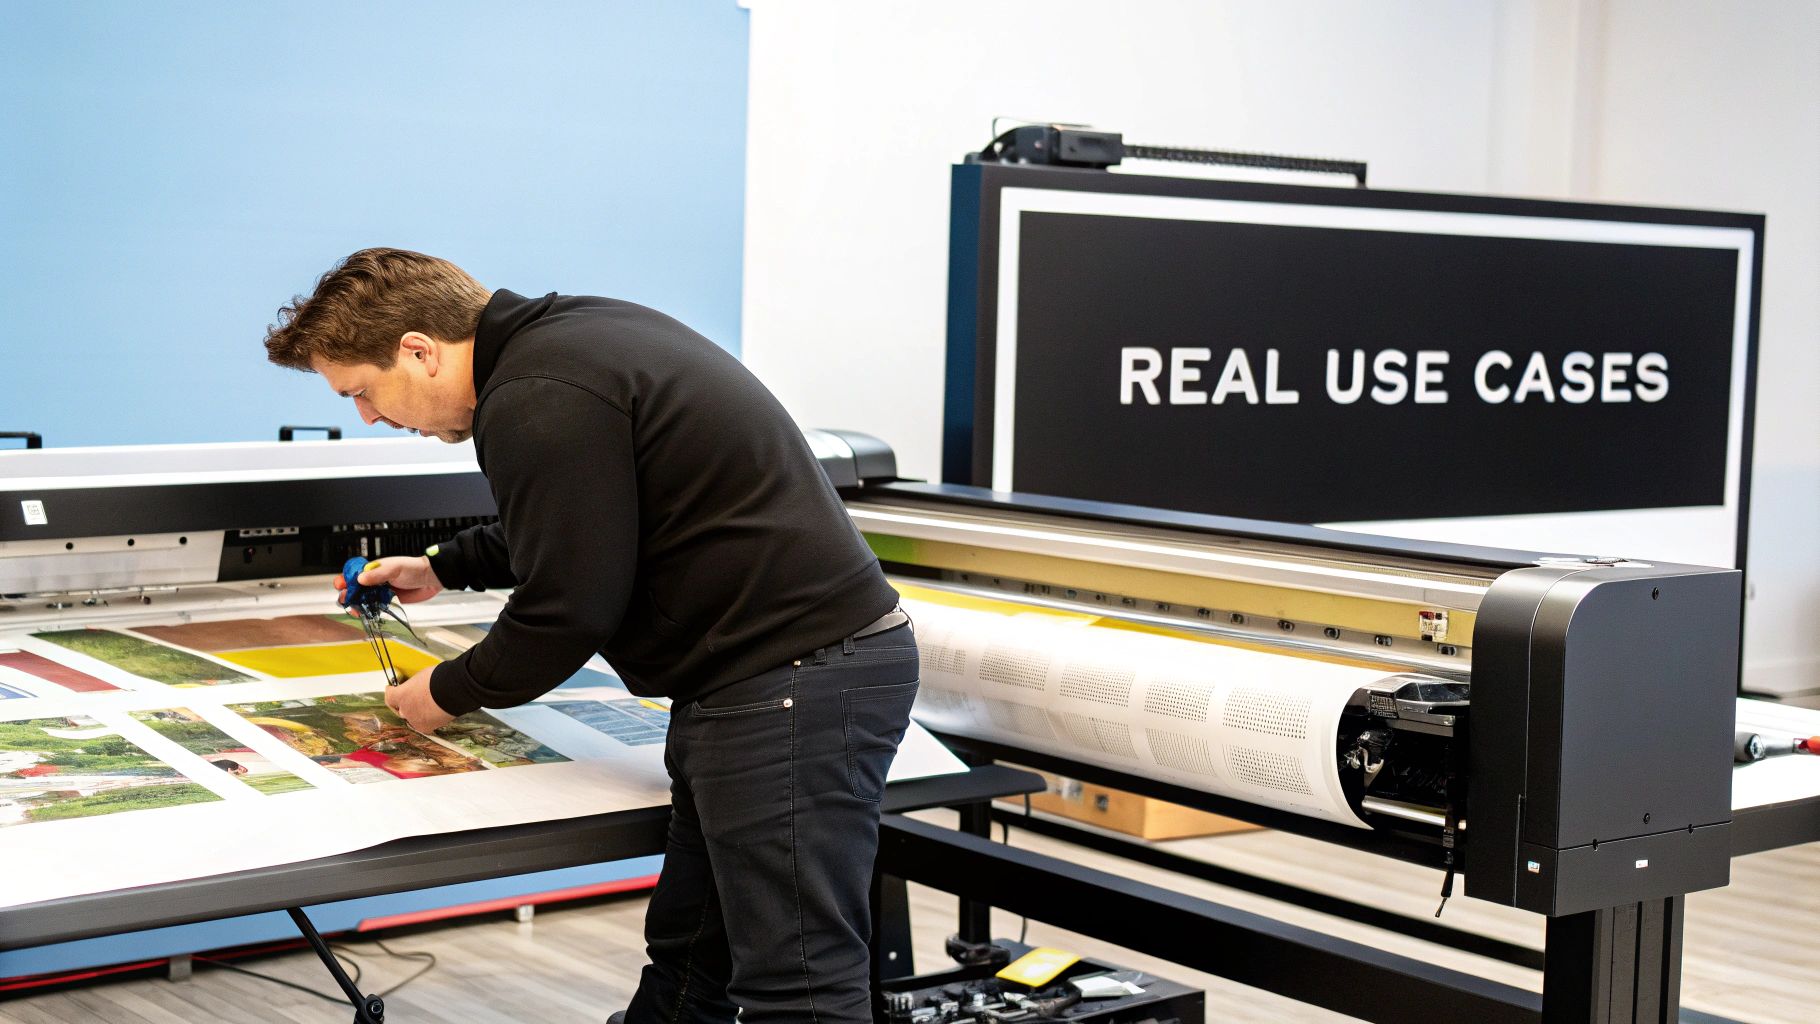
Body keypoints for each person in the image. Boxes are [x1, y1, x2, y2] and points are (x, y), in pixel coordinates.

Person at [263, 248, 917, 1023]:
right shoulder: (571, 339)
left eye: (364, 393)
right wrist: (440, 565)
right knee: (689, 954)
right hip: (759, 680)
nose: (368, 417)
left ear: (418, 351)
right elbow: (585, 521)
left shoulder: (536, 393)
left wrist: (445, 692)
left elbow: (566, 609)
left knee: (796, 983)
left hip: (791, 679)